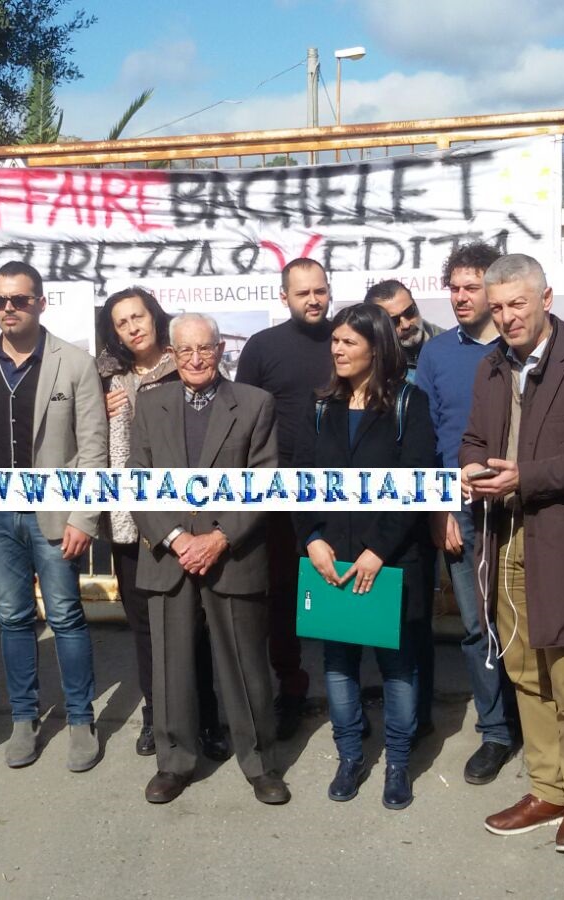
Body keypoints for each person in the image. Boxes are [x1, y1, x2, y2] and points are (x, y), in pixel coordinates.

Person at [462, 253, 564, 854]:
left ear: (546, 300)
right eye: (498, 305)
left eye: (518, 304)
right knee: (525, 675)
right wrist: (471, 470)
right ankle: (548, 787)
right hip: (504, 540)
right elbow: (474, 439)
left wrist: (525, 477)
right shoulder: (490, 367)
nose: (507, 316)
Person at [126, 312, 288, 806]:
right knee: (172, 670)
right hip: (168, 557)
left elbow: (264, 483)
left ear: (221, 350)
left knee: (245, 669)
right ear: (171, 355)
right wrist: (176, 538)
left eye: (206, 348)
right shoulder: (150, 405)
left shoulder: (256, 404)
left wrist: (218, 539)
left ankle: (260, 763)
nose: (196, 359)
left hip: (232, 556)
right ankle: (174, 763)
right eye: (185, 351)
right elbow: (138, 479)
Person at [0, 260, 109, 773]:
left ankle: (78, 719)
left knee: (66, 617)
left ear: (40, 302)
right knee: (12, 618)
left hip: (55, 514)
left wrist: (83, 518)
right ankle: (23, 719)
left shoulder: (74, 363)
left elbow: (94, 448)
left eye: (19, 299)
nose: (9, 309)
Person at [292, 303, 436, 810]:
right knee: (338, 663)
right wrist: (311, 537)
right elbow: (302, 482)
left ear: (376, 347)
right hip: (330, 560)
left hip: (390, 562)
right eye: (334, 341)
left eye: (348, 342)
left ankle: (398, 762)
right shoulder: (319, 406)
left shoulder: (408, 404)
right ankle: (349, 755)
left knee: (398, 667)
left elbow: (417, 482)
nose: (337, 349)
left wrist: (379, 550)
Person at [96, 288, 226, 761]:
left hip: (187, 521)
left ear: (155, 319)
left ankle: (206, 716)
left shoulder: (193, 368)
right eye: (122, 322)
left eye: (139, 316)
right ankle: (156, 716)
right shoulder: (104, 378)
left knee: (199, 626)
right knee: (146, 629)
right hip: (131, 523)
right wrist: (98, 405)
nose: (132, 327)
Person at [416, 240, 521, 786]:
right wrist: (442, 512)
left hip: (527, 509)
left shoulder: (521, 347)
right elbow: (428, 439)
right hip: (464, 513)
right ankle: (497, 731)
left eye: (471, 287)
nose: (460, 296)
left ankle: (536, 720)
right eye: (453, 287)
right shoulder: (435, 355)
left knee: (527, 622)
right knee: (478, 628)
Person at [235, 257, 334, 739]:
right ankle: (290, 687)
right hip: (275, 488)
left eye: (319, 290)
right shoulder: (262, 347)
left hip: (336, 488)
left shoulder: (347, 338)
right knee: (280, 593)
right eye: (302, 293)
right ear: (284, 297)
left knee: (339, 582)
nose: (313, 300)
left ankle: (344, 689)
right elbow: (241, 419)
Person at [364, 279, 443, 377]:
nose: (406, 325)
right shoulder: (372, 363)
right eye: (394, 321)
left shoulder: (451, 345)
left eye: (409, 312)